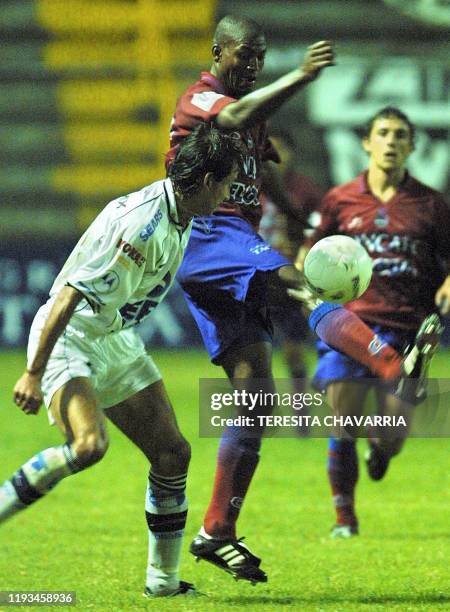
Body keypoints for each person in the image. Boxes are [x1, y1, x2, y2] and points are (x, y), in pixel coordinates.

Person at [0, 124, 241, 598]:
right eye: (228, 183)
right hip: (70, 335)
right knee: (90, 445)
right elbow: (69, 294)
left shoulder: (182, 213)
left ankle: (164, 585)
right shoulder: (143, 224)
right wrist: (32, 372)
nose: (229, 193)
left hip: (115, 338)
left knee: (173, 453)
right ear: (207, 180)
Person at [166, 14, 335, 583]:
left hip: (238, 240)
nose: (253, 65)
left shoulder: (254, 127)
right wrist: (300, 77)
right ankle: (387, 356)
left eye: (261, 58)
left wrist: (304, 221)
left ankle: (217, 531)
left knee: (255, 396)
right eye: (246, 55)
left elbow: (267, 183)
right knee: (299, 284)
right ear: (219, 51)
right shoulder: (201, 98)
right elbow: (235, 115)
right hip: (211, 237)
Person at [300, 106, 450, 538]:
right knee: (343, 415)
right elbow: (310, 253)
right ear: (366, 142)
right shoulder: (339, 200)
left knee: (389, 439)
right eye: (383, 133)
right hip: (350, 325)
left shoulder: (431, 205)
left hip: (406, 328)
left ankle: (380, 452)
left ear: (412, 146)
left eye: (400, 135)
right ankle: (344, 519)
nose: (391, 141)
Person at [259, 130, 323, 433]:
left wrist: (303, 252)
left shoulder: (305, 191)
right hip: (256, 279)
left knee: (294, 350)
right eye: (270, 150)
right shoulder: (250, 187)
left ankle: (301, 414)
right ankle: (257, 415)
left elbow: (321, 228)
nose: (276, 157)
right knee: (253, 349)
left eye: (281, 150)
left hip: (289, 280)